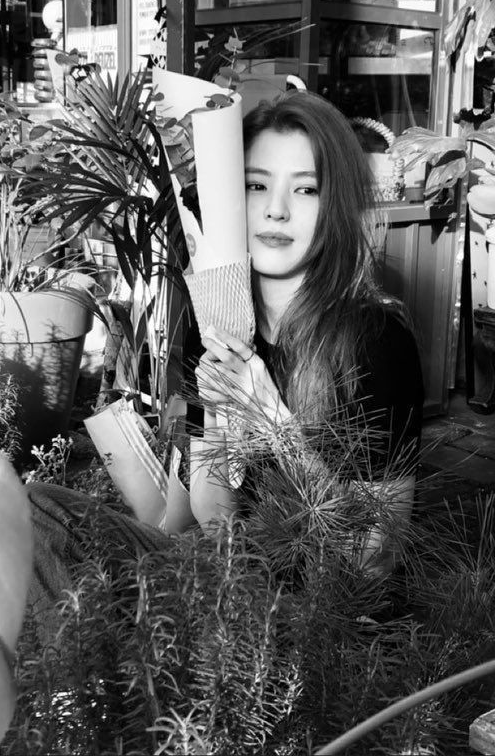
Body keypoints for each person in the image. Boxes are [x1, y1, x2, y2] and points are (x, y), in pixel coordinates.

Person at [28, 89, 424, 614]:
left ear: (336, 206)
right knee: (38, 509)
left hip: (322, 617)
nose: (276, 210)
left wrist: (272, 419)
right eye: (256, 185)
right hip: (233, 581)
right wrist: (220, 415)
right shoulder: (215, 324)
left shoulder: (375, 342)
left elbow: (373, 560)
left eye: (306, 190)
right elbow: (211, 517)